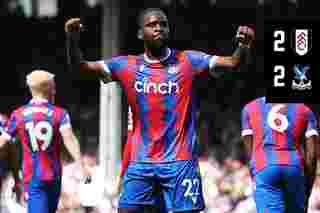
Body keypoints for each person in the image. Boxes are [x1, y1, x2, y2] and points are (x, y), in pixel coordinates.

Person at [65, 7, 255, 213]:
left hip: (180, 162)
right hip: (141, 162)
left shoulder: (188, 60)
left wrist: (243, 46)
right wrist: (72, 40)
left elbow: (233, 63)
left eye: (163, 24)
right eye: (152, 24)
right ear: (140, 33)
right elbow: (80, 67)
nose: (158, 28)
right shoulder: (125, 65)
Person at [0, 70, 88, 213]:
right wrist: (80, 164)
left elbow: (3, 141)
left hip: (34, 177)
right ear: (49, 89)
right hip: (54, 176)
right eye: (53, 87)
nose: (55, 91)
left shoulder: (19, 114)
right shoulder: (60, 114)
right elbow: (69, 138)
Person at [241, 96, 318, 213]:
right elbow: (312, 155)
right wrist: (306, 191)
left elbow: (249, 152)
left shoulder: (249, 108)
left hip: (264, 168)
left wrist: (254, 178)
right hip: (294, 168)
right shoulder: (305, 110)